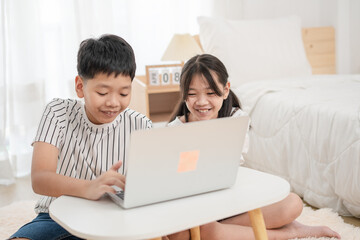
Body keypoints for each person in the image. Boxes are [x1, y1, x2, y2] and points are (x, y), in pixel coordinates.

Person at [166, 54, 340, 240]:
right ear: (183, 94)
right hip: (194, 207)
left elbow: (230, 169)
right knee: (183, 234)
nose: (201, 102)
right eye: (192, 94)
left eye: (210, 93)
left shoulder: (236, 119)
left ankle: (216, 231)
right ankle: (288, 232)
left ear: (226, 91)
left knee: (293, 203)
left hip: (230, 202)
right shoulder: (173, 131)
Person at [9, 34, 152, 240]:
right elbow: (40, 179)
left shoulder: (140, 124)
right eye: (103, 93)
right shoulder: (57, 112)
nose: (113, 102)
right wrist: (89, 188)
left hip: (115, 220)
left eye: (123, 93)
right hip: (57, 217)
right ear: (79, 87)